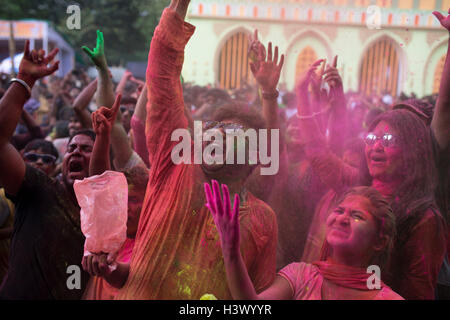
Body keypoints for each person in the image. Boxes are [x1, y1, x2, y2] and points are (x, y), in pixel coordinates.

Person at [91, 0, 281, 300]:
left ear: (255, 155)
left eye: (234, 132)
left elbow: (254, 299)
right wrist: (179, 5)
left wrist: (269, 95)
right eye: (215, 128)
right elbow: (162, 77)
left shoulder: (262, 219)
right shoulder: (175, 167)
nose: (218, 135)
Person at [298, 59, 446, 300]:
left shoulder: (423, 218)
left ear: (412, 151)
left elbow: (417, 293)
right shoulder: (359, 188)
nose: (376, 147)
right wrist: (302, 96)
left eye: (388, 140)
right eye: (371, 139)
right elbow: (319, 153)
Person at [0, 41, 92, 299]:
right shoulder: (39, 189)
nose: (76, 152)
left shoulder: (108, 218)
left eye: (87, 149)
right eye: (72, 147)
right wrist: (23, 82)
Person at [205, 181, 403, 300]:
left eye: (357, 216)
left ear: (379, 241)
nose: (342, 218)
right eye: (339, 210)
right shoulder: (301, 276)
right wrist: (231, 250)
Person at [81, 96, 148, 300]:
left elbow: (126, 276)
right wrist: (102, 137)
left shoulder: (155, 239)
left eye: (134, 200)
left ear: (150, 203)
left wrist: (110, 269)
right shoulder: (111, 234)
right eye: (122, 199)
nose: (124, 207)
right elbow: (99, 185)